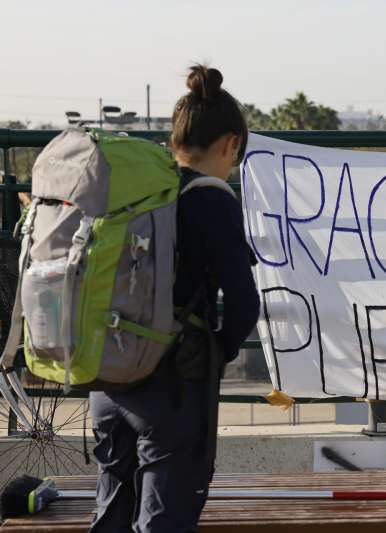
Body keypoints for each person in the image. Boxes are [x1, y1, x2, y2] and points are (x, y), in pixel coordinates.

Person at [89, 65, 260, 532]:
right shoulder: (212, 199)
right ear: (230, 144)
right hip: (171, 388)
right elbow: (244, 304)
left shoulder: (135, 194)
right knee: (164, 522)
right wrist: (212, 355)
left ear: (172, 143)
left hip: (107, 378)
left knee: (111, 516)